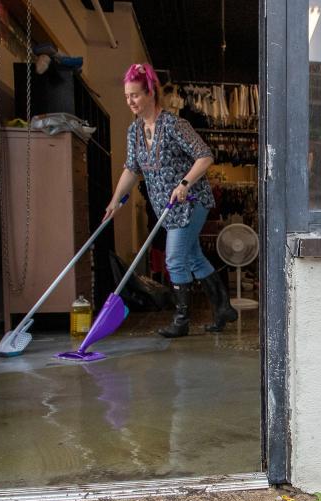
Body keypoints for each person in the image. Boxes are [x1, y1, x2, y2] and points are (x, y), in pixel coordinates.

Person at [105, 63, 237, 337]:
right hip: (165, 207)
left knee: (175, 259)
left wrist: (185, 183)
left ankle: (181, 321)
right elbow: (131, 169)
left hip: (190, 202)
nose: (130, 101)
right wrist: (115, 201)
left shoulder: (176, 125)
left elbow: (205, 155)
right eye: (127, 96)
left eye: (136, 95)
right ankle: (223, 307)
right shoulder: (135, 132)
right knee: (193, 257)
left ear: (151, 93)